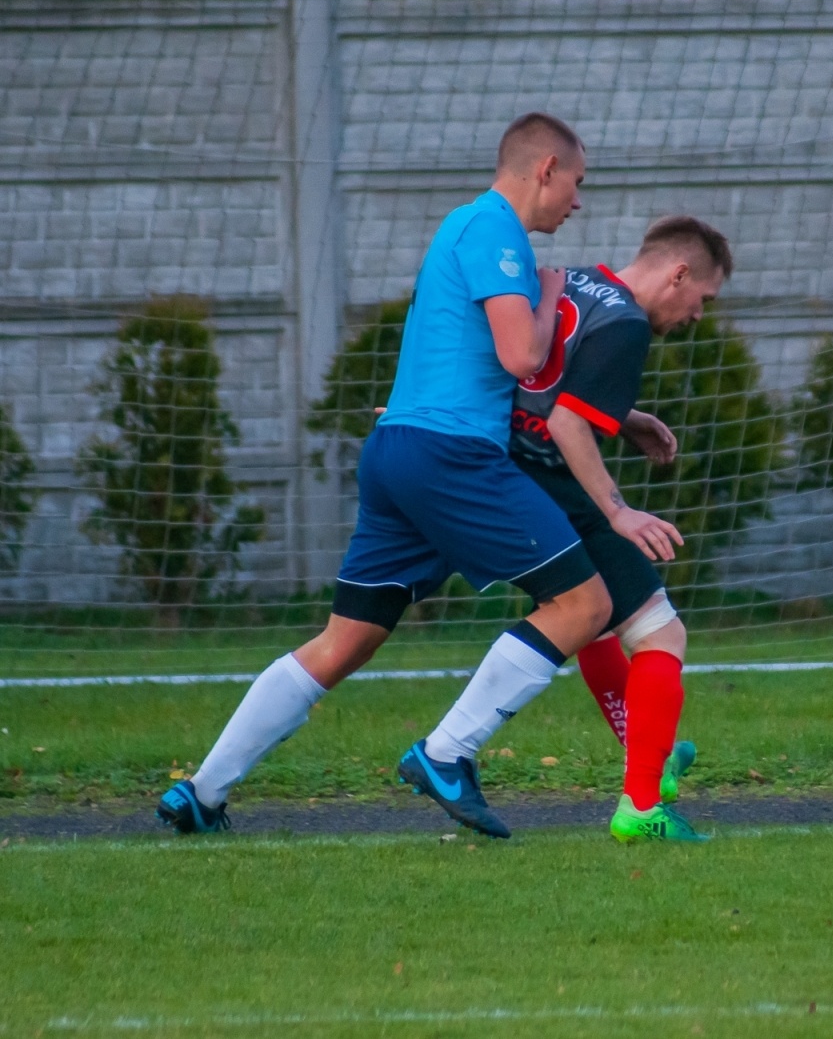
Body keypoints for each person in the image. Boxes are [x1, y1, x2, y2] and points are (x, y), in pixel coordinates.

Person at [158, 112, 612, 841]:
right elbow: (522, 359)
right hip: (449, 456)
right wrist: (554, 293)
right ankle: (446, 753)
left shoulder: (462, 227)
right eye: (578, 183)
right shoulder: (499, 235)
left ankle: (201, 793)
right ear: (545, 169)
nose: (579, 203)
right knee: (584, 604)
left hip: (397, 450)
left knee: (346, 641)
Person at [510, 216, 733, 843]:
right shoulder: (628, 324)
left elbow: (537, 378)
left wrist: (624, 414)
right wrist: (617, 510)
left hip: (509, 477)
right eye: (702, 301)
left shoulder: (578, 283)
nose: (697, 316)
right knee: (661, 632)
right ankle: (642, 805)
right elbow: (565, 424)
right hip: (556, 485)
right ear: (679, 273)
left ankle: (651, 760)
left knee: (595, 619)